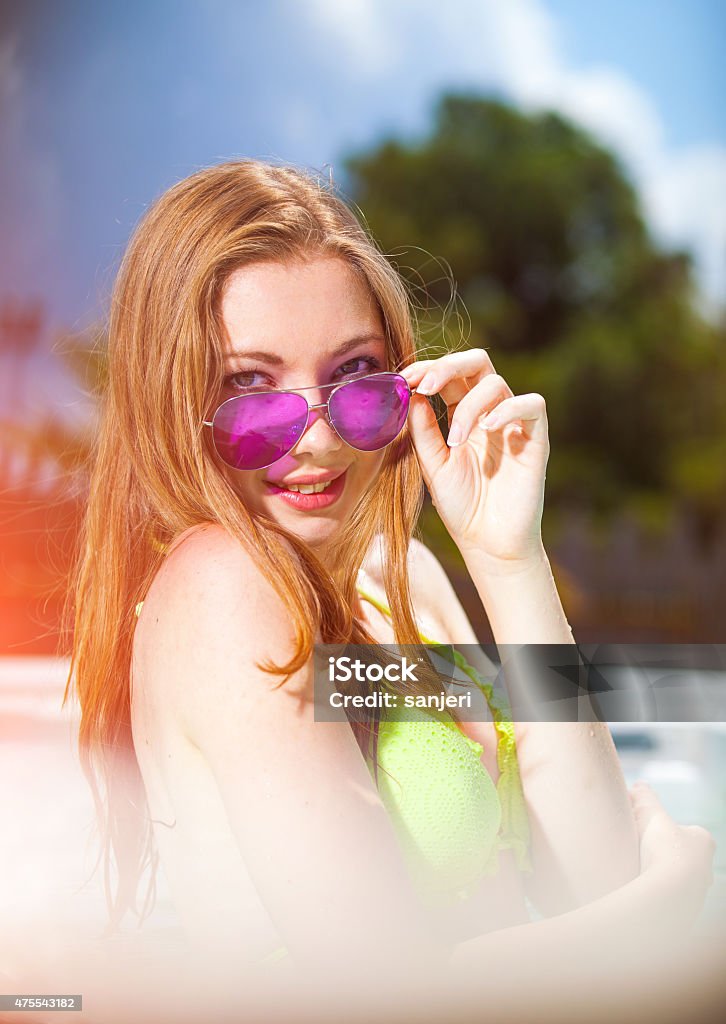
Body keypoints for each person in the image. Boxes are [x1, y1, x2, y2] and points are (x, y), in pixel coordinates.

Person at [63, 160, 717, 1024]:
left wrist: (509, 564)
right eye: (250, 389)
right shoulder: (222, 591)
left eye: (355, 377)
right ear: (170, 398)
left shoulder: (403, 579)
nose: (322, 437)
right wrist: (660, 919)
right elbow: (383, 994)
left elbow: (587, 868)